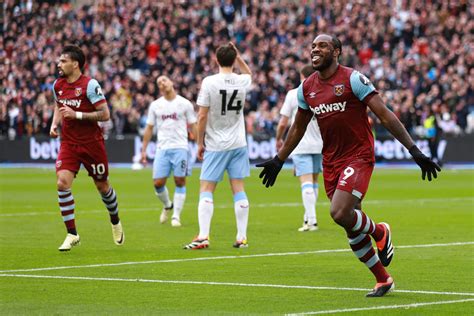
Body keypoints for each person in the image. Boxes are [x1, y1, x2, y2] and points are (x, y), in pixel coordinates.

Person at [257, 34, 440, 297]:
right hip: (331, 161)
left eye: (322, 46)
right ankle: (383, 279)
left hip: (359, 155)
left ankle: (380, 231)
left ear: (337, 51)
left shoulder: (354, 79)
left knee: (340, 212)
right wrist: (279, 159)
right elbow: (298, 127)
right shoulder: (306, 88)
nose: (315, 50)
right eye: (312, 46)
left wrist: (414, 150)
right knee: (351, 225)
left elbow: (385, 115)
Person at [50, 45, 124, 251]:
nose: (59, 64)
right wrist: (54, 123)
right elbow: (58, 105)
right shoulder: (58, 85)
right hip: (69, 143)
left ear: (75, 64)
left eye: (63, 61)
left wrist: (78, 115)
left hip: (92, 144)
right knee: (62, 183)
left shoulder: (90, 85)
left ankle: (115, 219)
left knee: (103, 187)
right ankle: (72, 234)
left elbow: (105, 114)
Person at [184, 42, 252, 249]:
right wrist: (239, 57)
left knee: (206, 188)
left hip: (216, 144)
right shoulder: (242, 81)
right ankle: (241, 238)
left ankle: (203, 235)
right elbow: (249, 73)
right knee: (238, 188)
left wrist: (199, 141)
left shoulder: (210, 82)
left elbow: (202, 115)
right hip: (239, 142)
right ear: (233, 60)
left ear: (216, 59)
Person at [141, 75, 198, 227]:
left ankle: (176, 216)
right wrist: (143, 150)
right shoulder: (155, 105)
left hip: (181, 147)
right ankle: (167, 205)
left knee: (180, 180)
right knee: (158, 183)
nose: (162, 83)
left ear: (172, 82)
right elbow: (149, 128)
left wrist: (200, 144)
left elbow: (193, 125)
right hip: (162, 148)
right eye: (159, 82)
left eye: (164, 80)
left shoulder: (184, 104)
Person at [276, 65, 323, 232]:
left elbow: (283, 122)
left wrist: (279, 138)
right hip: (319, 144)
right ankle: (308, 217)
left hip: (300, 143)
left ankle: (312, 221)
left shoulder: (293, 94)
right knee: (314, 182)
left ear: (302, 76)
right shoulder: (322, 92)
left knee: (306, 182)